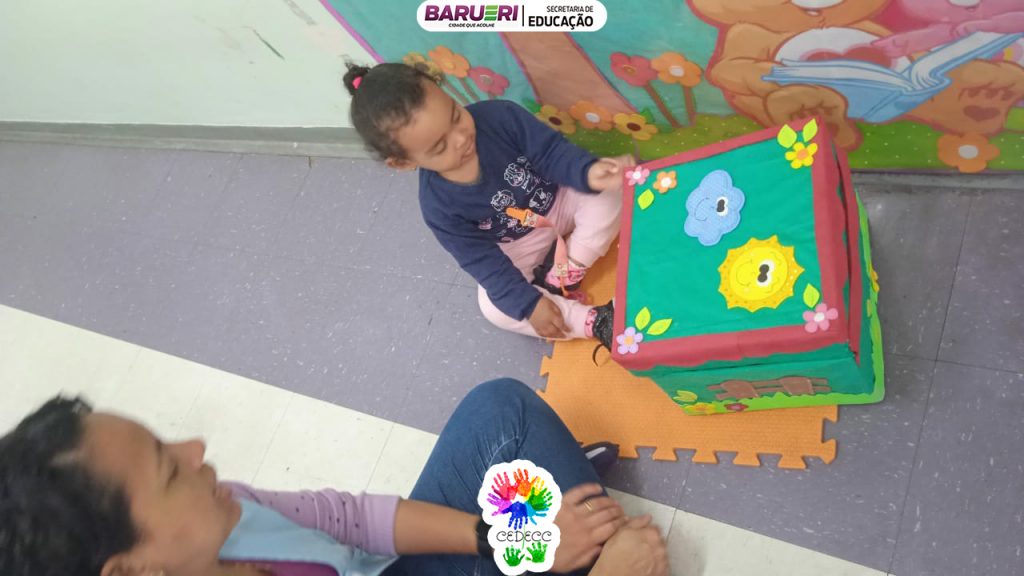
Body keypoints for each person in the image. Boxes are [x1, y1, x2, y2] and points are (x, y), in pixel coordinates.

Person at [0, 378, 669, 576]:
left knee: (501, 412)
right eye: (167, 470)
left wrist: (509, 541)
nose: (195, 448)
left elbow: (351, 519)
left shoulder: (226, 508)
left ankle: (559, 522)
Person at [343, 62, 629, 345]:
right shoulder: (437, 206)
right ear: (404, 163)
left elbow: (551, 152)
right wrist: (530, 305)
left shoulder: (499, 116)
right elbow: (482, 261)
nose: (461, 138)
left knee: (610, 195)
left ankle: (565, 273)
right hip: (518, 243)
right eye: (440, 147)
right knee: (495, 309)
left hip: (561, 197)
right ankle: (595, 321)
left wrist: (589, 172)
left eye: (455, 115)